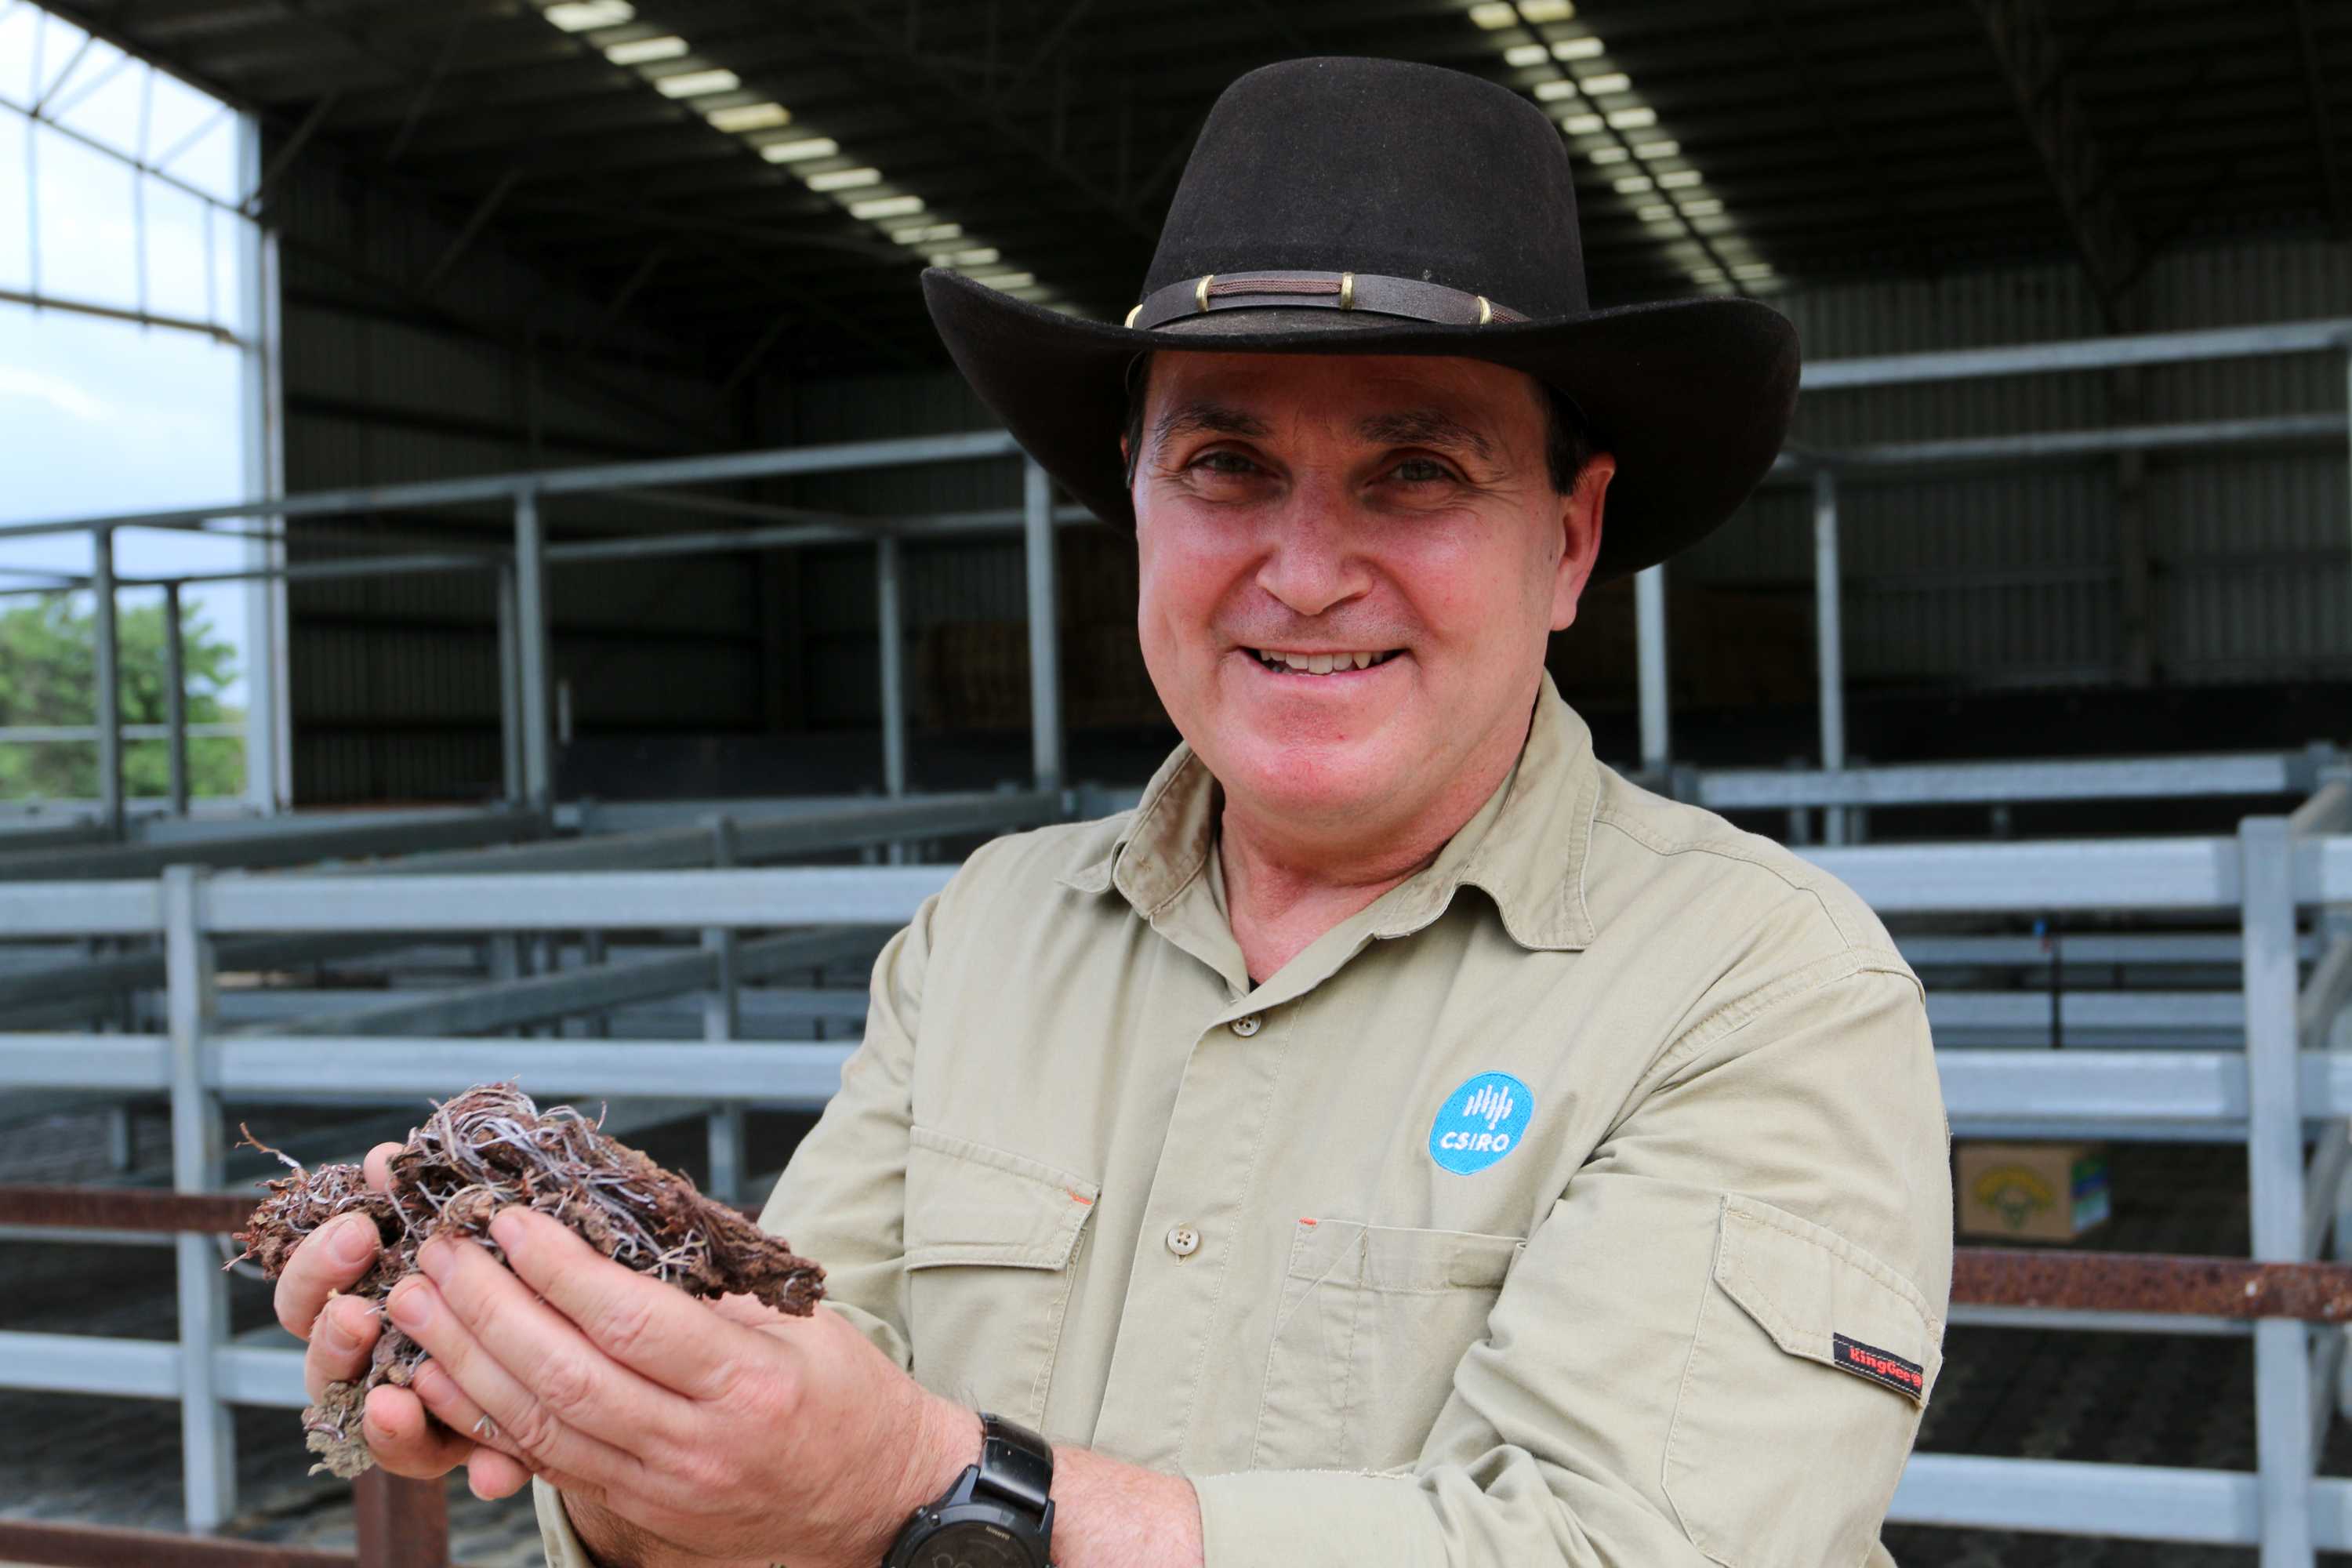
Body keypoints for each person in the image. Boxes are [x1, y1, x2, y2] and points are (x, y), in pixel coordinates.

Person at [272, 55, 1951, 1568]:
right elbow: (785, 1440)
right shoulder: (985, 935)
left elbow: (1619, 1550)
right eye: (1224, 463)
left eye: (1420, 470)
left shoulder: (1759, 985)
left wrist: (938, 1486)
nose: (1303, 572)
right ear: (1133, 508)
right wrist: (597, 1417)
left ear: (1570, 541)